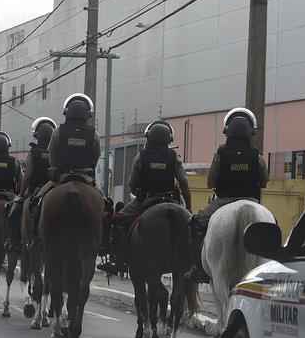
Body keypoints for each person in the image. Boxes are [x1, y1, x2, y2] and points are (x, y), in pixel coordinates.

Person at [189, 107, 269, 281]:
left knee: (196, 224)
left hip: (223, 201)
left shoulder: (220, 154)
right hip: (252, 200)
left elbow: (210, 182)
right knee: (272, 226)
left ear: (227, 132)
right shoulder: (257, 156)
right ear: (251, 132)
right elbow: (264, 181)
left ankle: (198, 267)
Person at [109, 120, 191, 271]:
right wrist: (189, 208)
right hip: (171, 199)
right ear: (169, 140)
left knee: (118, 220)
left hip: (146, 200)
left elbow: (132, 185)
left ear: (149, 138)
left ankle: (120, 259)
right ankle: (193, 263)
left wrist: (139, 192)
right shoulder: (174, 157)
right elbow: (184, 183)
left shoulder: (141, 156)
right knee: (194, 228)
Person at [7, 117, 56, 253]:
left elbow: (27, 176)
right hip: (55, 186)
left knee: (14, 211)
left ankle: (14, 241)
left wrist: (21, 195)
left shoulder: (33, 153)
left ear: (37, 136)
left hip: (37, 190)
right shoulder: (57, 150)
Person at [48, 93, 100, 183]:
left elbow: (52, 155)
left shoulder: (57, 132)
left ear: (67, 113)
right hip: (86, 177)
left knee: (40, 196)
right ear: (87, 115)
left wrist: (55, 168)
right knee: (102, 197)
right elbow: (96, 156)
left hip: (62, 177)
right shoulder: (94, 134)